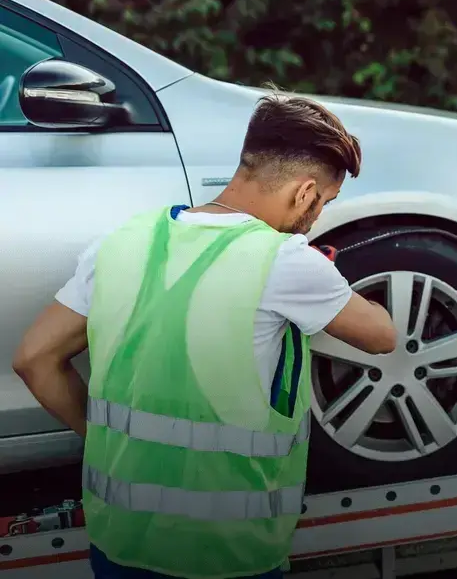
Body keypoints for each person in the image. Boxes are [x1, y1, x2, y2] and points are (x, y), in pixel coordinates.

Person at [12, 91, 399, 579]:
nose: (317, 214)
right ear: (304, 193)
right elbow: (381, 336)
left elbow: (34, 358)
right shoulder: (283, 260)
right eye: (323, 201)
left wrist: (103, 438)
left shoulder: (121, 243)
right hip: (227, 555)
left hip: (119, 543)